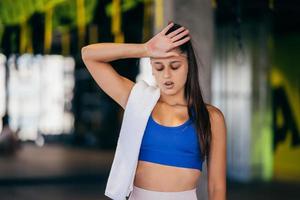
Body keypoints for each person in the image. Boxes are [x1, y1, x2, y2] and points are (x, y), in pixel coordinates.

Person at [81, 22, 227, 200]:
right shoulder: (138, 102)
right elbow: (88, 55)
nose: (166, 75)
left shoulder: (212, 118)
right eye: (159, 67)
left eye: (174, 66)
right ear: (151, 67)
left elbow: (216, 187)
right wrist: (145, 48)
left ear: (189, 65)